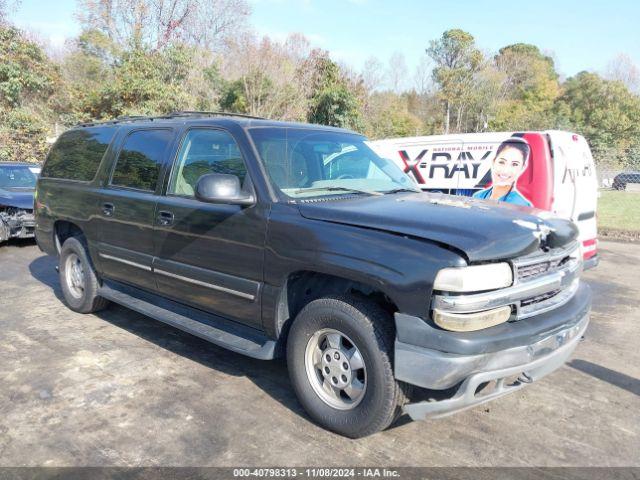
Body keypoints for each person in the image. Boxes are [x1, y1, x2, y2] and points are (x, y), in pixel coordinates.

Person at [473, 137, 533, 207]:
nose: (505, 171)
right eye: (501, 162)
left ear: (522, 168)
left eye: (514, 164)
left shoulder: (521, 205)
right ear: (493, 161)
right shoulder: (478, 196)